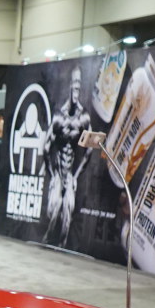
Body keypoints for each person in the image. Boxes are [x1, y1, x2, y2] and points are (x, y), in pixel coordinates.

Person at [45, 65, 91, 246]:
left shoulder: (83, 117)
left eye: (79, 83)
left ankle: (61, 247)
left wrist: (76, 176)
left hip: (70, 172)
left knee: (68, 211)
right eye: (74, 82)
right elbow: (46, 147)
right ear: (70, 85)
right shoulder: (59, 116)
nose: (76, 87)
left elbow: (89, 150)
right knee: (54, 209)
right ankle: (47, 242)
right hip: (58, 171)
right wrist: (52, 174)